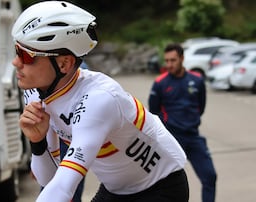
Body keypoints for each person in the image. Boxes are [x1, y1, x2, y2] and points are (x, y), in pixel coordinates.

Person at [13, 1, 189, 201]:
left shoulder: (98, 100)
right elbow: (49, 180)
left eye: (26, 55)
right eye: (16, 50)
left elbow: (64, 187)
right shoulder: (36, 93)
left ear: (64, 63)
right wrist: (37, 142)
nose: (15, 62)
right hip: (116, 189)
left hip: (161, 185)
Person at [148, 43, 217, 202]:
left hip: (193, 137)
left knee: (210, 176)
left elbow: (201, 106)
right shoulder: (160, 83)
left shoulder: (197, 80)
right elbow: (154, 113)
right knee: (161, 184)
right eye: (167, 61)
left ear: (182, 59)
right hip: (171, 139)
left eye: (173, 60)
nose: (169, 64)